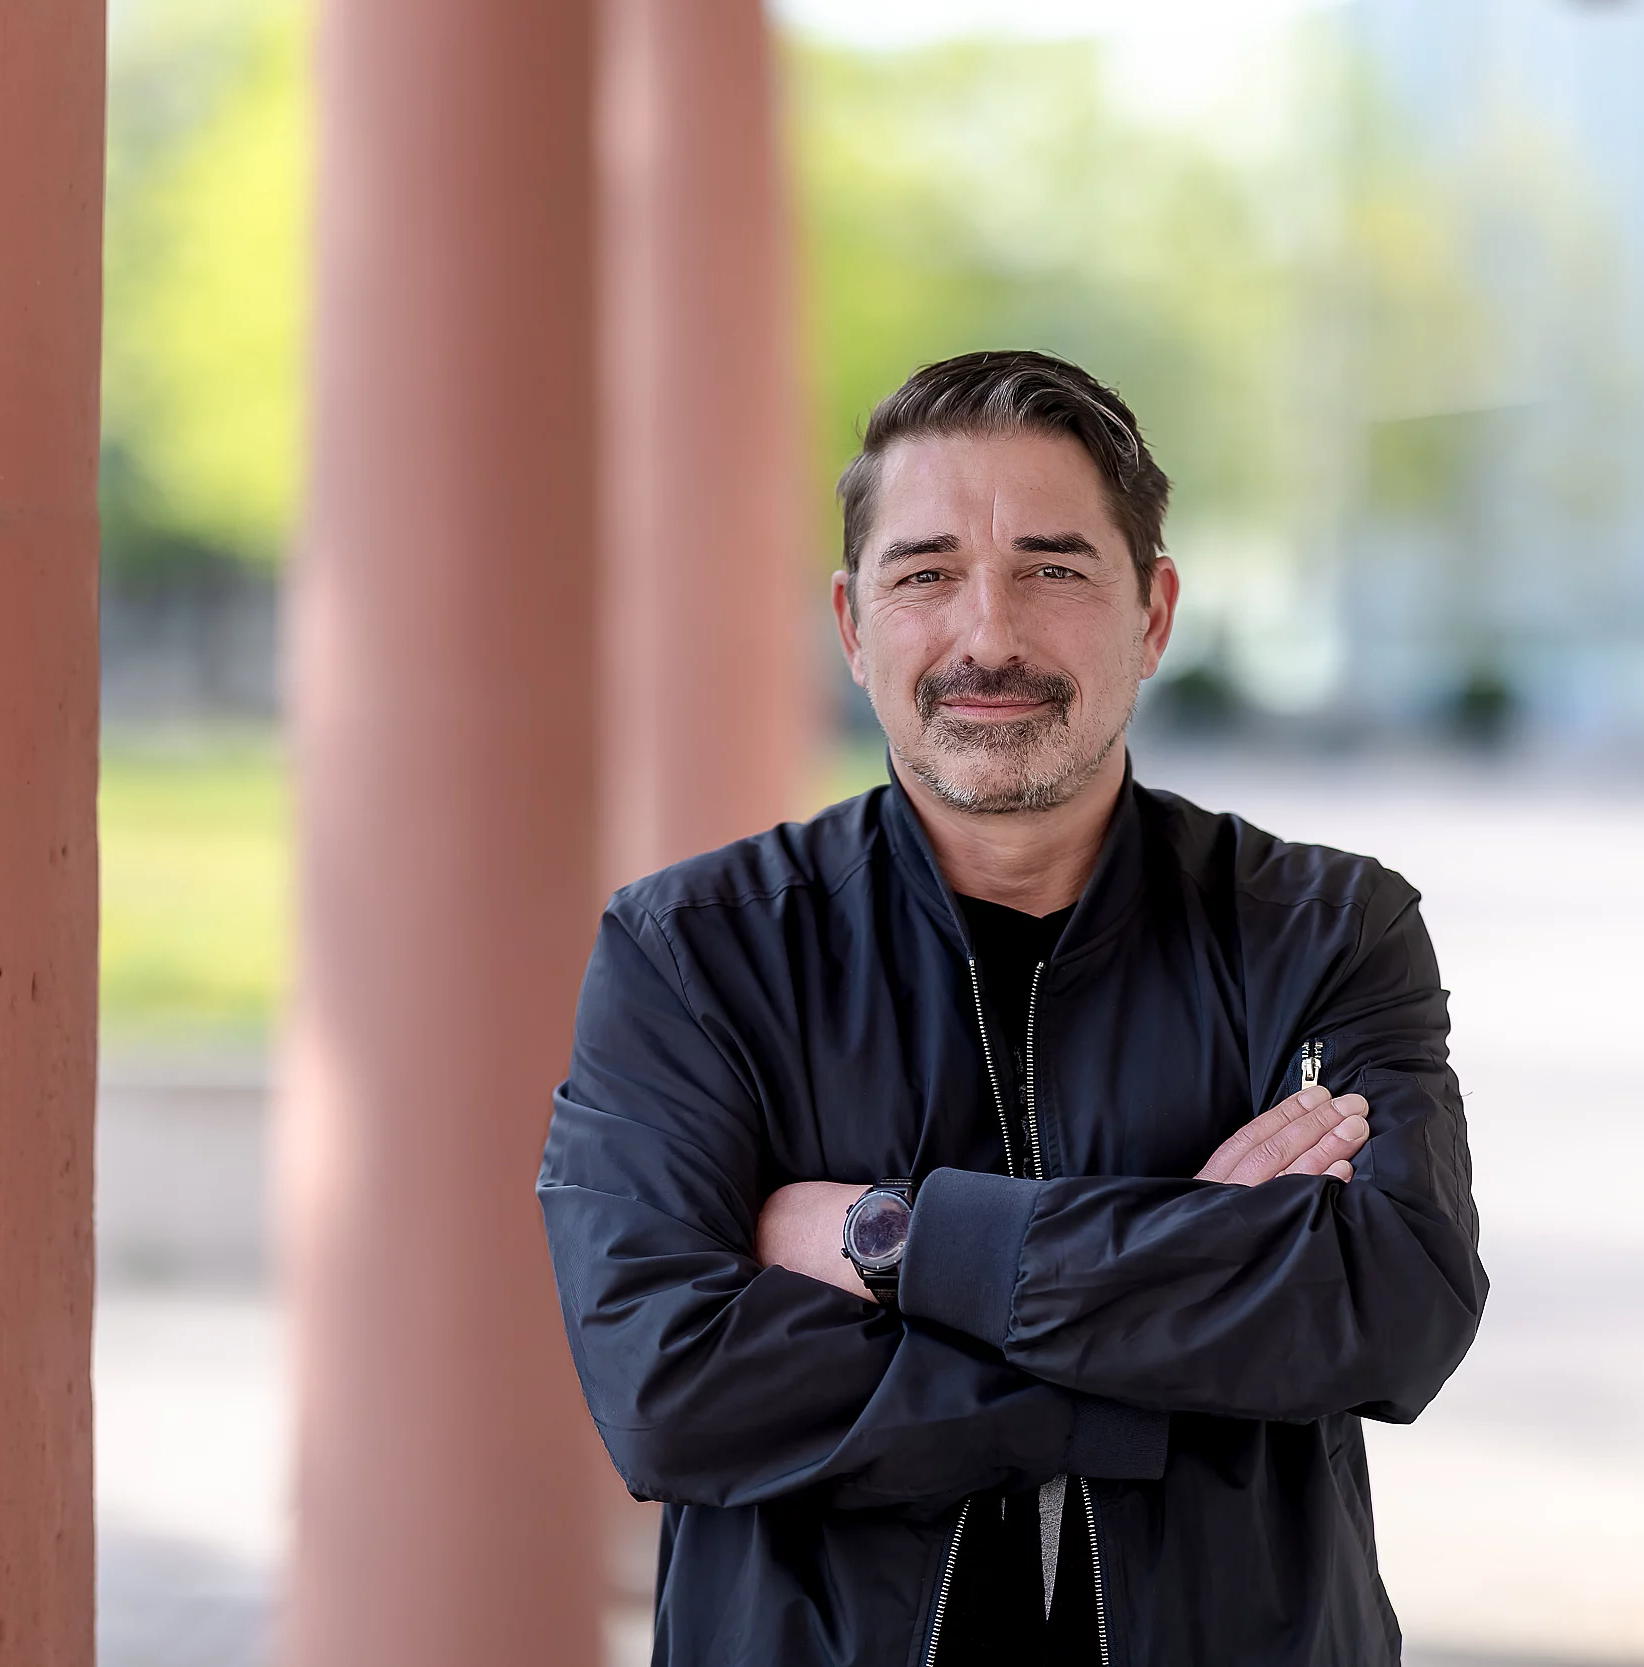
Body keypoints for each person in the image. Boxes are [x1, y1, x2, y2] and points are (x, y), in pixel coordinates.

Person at [538, 349, 1485, 1665]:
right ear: (851, 625)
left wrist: (900, 1239)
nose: (986, 634)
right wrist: (1177, 1325)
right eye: (925, 574)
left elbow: (1394, 1303)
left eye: (1052, 568)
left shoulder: (1321, 930)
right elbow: (671, 1389)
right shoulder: (692, 954)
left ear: (1151, 614)